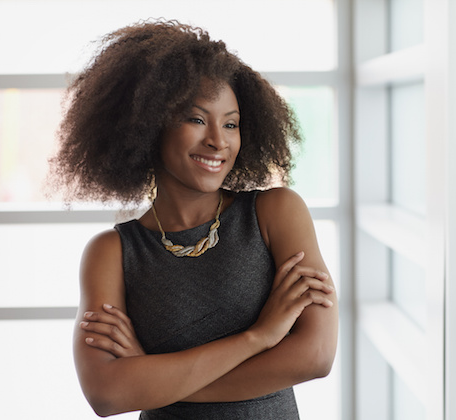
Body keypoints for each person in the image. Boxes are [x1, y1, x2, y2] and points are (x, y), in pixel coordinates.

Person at [50, 20, 338, 419]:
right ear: (149, 125)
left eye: (231, 123)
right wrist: (260, 337)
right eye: (197, 119)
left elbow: (316, 356)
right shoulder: (112, 252)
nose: (218, 141)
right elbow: (108, 394)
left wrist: (154, 382)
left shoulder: (275, 212)